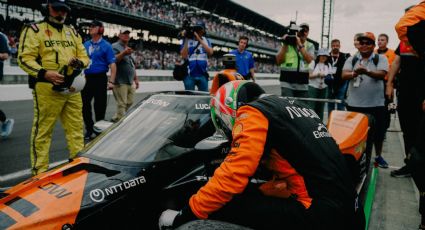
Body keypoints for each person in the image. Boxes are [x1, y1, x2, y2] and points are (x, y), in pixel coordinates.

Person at [159, 80, 364, 230]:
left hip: (322, 215)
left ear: (226, 110)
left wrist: (184, 215)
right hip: (352, 210)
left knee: (224, 203)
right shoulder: (297, 107)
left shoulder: (251, 113)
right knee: (260, 191)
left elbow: (232, 176)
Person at [17, 0, 89, 175]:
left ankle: (78, 167)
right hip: (47, 88)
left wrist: (79, 62)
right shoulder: (34, 30)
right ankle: (39, 173)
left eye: (64, 10)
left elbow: (85, 57)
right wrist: (44, 73)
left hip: (72, 88)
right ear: (47, 7)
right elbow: (24, 59)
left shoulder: (72, 31)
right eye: (57, 9)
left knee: (76, 130)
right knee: (43, 132)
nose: (61, 13)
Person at [392, 2, 425, 229]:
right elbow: (397, 59)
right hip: (409, 93)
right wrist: (389, 83)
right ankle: (409, 162)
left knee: (421, 156)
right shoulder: (406, 40)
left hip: (421, 92)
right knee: (416, 152)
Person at [342, 32, 389, 168]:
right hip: (354, 104)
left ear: (373, 45)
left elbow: (382, 74)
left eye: (368, 43)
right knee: (355, 133)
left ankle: (378, 156)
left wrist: (367, 72)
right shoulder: (352, 59)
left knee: (378, 133)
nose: (364, 45)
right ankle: (358, 157)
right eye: (362, 42)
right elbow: (343, 75)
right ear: (358, 45)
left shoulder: (380, 58)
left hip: (376, 104)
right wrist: (355, 73)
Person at [82, 20, 116, 140]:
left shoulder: (107, 45)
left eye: (93, 26)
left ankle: (98, 130)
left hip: (100, 78)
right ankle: (89, 128)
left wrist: (111, 81)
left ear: (100, 29)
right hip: (86, 79)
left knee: (99, 106)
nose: (90, 28)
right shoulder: (85, 44)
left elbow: (112, 65)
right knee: (84, 105)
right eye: (90, 26)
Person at [276, 22, 314, 98]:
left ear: (308, 33)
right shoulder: (285, 43)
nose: (303, 33)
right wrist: (285, 44)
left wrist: (300, 44)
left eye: (306, 31)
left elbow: (309, 60)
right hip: (286, 81)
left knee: (301, 108)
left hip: (302, 82)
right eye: (302, 31)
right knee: (288, 106)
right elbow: (279, 61)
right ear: (297, 31)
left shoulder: (310, 45)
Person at [111, 30, 139, 122]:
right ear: (119, 35)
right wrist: (123, 53)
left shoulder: (127, 47)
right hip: (120, 80)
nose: (126, 36)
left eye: (128, 34)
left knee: (130, 102)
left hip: (129, 81)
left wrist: (136, 79)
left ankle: (117, 116)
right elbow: (112, 60)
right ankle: (119, 122)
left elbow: (131, 64)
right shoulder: (115, 46)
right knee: (122, 103)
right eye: (124, 34)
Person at [180, 21, 213, 92]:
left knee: (204, 97)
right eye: (196, 29)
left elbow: (210, 52)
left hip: (203, 74)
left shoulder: (206, 40)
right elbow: (184, 56)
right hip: (189, 75)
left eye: (200, 29)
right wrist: (186, 39)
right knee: (189, 96)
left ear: (203, 30)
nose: (198, 31)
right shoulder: (187, 40)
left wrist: (199, 40)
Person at [375, 33, 396, 132]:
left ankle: (385, 128)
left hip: (387, 82)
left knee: (388, 106)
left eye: (382, 40)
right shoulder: (374, 53)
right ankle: (376, 126)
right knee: (376, 106)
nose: (380, 41)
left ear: (387, 42)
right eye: (379, 40)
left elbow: (395, 69)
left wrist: (391, 83)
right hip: (375, 82)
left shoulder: (393, 53)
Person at [308, 48, 333, 120]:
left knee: (321, 108)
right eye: (322, 55)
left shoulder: (328, 65)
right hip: (313, 87)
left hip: (324, 88)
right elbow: (308, 76)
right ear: (318, 56)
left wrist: (329, 78)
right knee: (311, 107)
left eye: (325, 55)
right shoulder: (313, 63)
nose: (324, 57)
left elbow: (330, 75)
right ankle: (311, 123)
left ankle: (319, 125)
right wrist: (318, 75)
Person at [327, 39, 350, 112]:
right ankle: (330, 121)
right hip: (329, 84)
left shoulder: (345, 56)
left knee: (340, 104)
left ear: (340, 46)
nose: (335, 47)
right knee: (330, 104)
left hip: (342, 83)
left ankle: (340, 121)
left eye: (337, 45)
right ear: (331, 46)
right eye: (333, 46)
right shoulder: (326, 56)